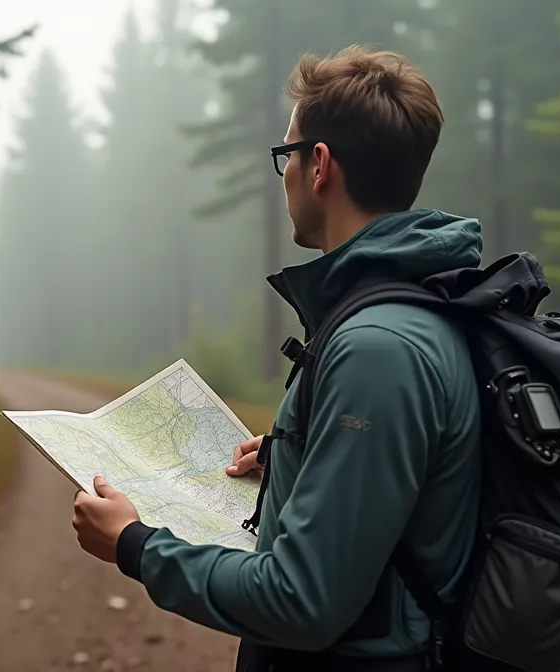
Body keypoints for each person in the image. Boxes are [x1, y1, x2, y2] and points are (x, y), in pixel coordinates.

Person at [71, 45, 483, 672]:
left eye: (284, 154)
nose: (284, 174)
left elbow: (303, 602)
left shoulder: (378, 349)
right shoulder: (415, 309)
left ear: (318, 165)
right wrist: (296, 454)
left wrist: (136, 545)